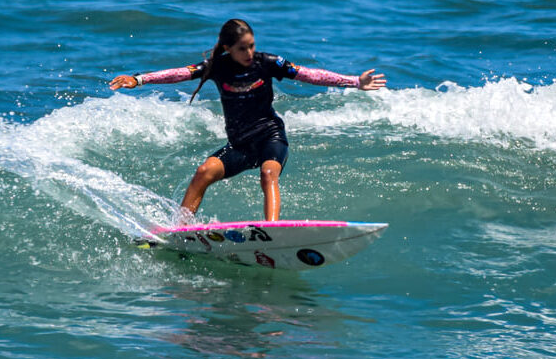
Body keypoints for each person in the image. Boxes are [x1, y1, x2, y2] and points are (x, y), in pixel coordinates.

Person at [109, 18, 386, 222]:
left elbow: (307, 74)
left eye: (252, 46)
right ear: (228, 48)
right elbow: (180, 73)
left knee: (268, 174)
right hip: (240, 145)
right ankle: (180, 231)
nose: (249, 53)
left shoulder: (268, 63)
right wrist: (139, 79)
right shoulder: (216, 67)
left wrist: (353, 82)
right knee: (203, 172)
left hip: (270, 138)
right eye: (243, 48)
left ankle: (272, 231)